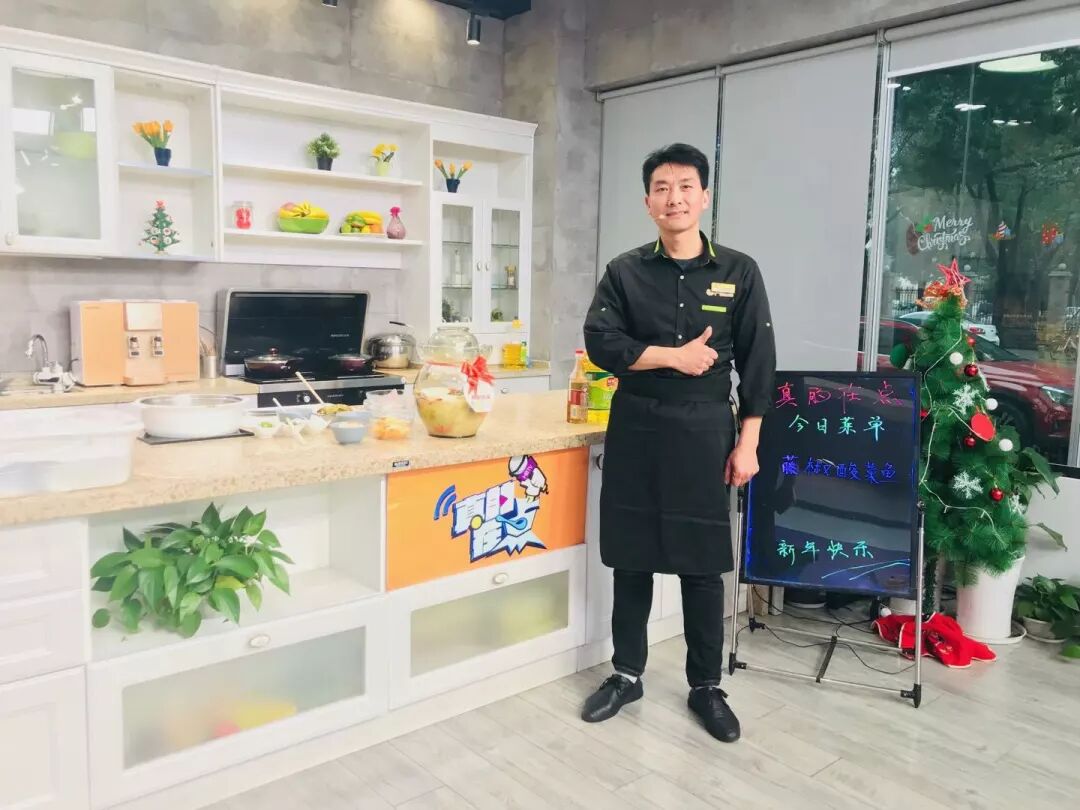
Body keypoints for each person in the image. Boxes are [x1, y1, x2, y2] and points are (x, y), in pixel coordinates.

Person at [581, 143, 776, 743]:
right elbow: (600, 342)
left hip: (704, 429)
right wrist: (672, 356)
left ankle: (706, 686)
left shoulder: (739, 271)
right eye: (662, 188)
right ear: (648, 203)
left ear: (704, 197)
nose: (675, 198)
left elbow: (760, 362)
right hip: (637, 423)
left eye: (686, 186)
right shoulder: (624, 270)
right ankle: (626, 674)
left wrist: (749, 443)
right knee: (632, 555)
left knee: (702, 561)